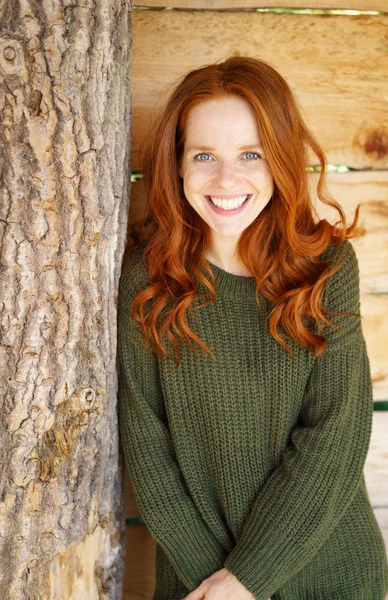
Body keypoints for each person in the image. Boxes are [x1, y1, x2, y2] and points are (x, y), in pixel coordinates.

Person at [117, 56, 388, 600]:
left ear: (280, 161)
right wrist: (213, 587)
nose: (226, 179)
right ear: (176, 166)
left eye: (250, 154)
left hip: (330, 573)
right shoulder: (147, 281)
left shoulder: (326, 269)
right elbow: (148, 451)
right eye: (203, 156)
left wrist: (245, 582)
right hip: (197, 579)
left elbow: (335, 437)